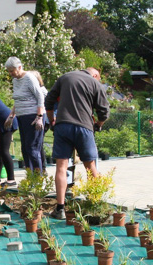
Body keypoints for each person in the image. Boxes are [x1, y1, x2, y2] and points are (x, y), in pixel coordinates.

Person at [44, 67, 109, 219]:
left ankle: (60, 208)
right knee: (90, 166)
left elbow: (49, 100)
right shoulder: (95, 83)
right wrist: (99, 124)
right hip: (84, 128)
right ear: (95, 75)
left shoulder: (64, 77)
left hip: (62, 126)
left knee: (61, 166)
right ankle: (95, 205)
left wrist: (51, 119)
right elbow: (104, 111)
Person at [4, 57, 45, 172]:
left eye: (12, 70)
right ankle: (30, 176)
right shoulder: (15, 80)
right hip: (22, 116)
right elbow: (18, 100)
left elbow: (40, 96)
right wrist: (12, 115)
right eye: (9, 71)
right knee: (25, 149)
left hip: (33, 116)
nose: (11, 73)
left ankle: (38, 178)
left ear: (20, 67)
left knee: (32, 148)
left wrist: (39, 117)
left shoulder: (29, 78)